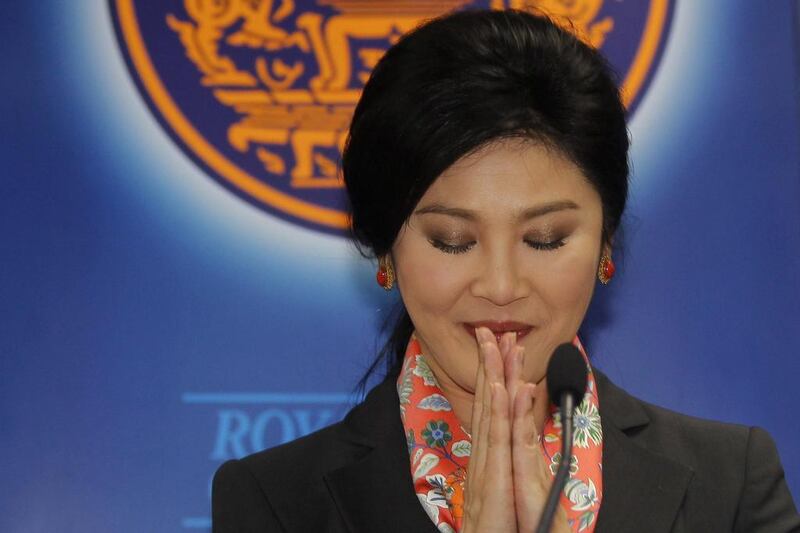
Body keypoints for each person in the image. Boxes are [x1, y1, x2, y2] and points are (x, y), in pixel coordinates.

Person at [211, 9, 800, 532]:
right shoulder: (277, 503)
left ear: (604, 245)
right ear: (387, 251)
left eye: (544, 240)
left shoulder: (731, 484)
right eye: (453, 240)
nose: (500, 286)